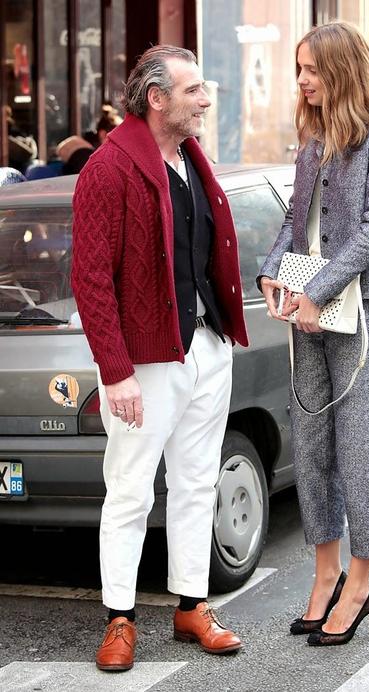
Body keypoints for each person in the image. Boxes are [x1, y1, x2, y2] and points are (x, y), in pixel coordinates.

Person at [71, 45, 248, 671]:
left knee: (199, 484)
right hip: (144, 360)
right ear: (157, 99)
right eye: (193, 89)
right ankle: (119, 618)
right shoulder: (109, 168)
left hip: (205, 345)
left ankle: (191, 606)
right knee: (129, 491)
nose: (204, 99)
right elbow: (90, 278)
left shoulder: (192, 159)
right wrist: (115, 371)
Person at [258, 21, 369, 647]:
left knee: (360, 454)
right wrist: (272, 274)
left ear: (341, 69)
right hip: (307, 313)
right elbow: (298, 219)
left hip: (357, 314)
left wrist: (317, 291)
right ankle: (324, 577)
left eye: (310, 69)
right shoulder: (312, 133)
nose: (301, 80)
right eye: (298, 69)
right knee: (313, 451)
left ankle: (360, 584)